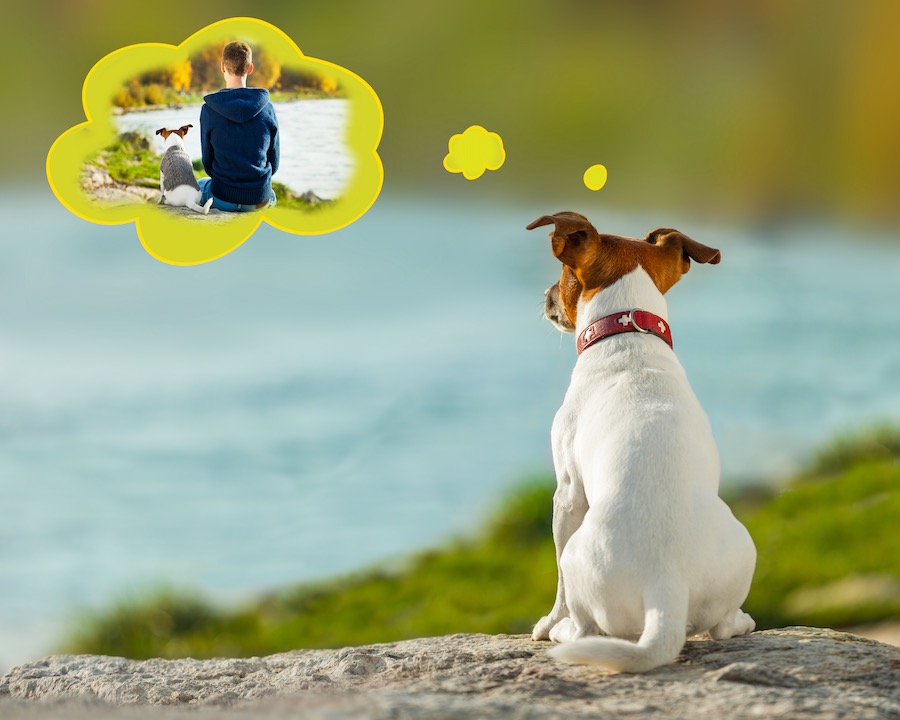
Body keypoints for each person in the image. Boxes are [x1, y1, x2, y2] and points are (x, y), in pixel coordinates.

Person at [198, 41, 279, 212]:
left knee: (200, 184)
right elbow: (274, 162)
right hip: (259, 200)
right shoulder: (267, 108)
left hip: (222, 198)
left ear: (222, 67)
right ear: (250, 68)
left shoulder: (209, 109)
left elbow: (207, 162)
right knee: (272, 195)